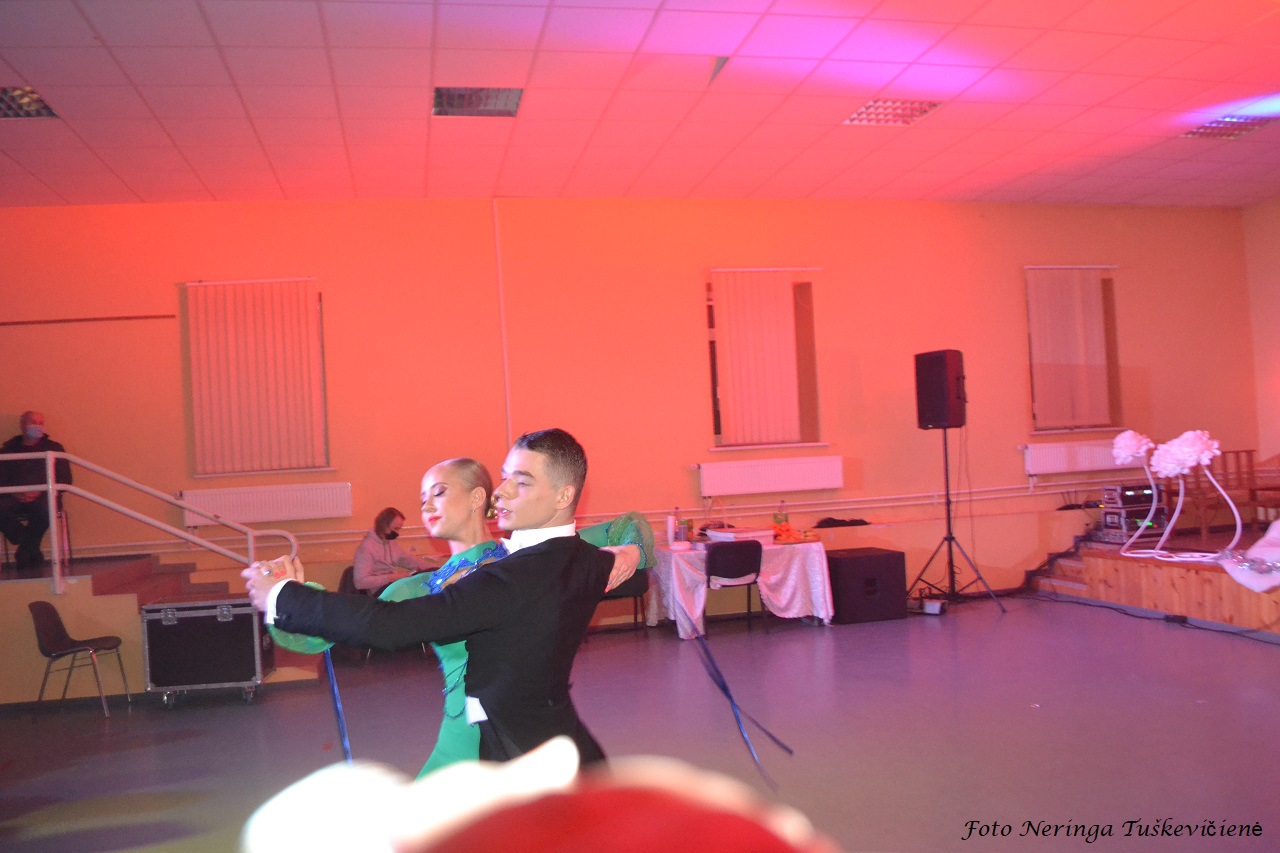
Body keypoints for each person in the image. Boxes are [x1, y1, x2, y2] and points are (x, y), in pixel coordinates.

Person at [245, 428, 639, 767]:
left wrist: (282, 596)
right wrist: (290, 598)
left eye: (439, 492)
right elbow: (324, 636)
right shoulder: (570, 556)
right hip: (507, 738)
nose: (501, 493)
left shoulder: (511, 571)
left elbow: (631, 526)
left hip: (512, 749)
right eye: (505, 478)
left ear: (476, 497)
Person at [0, 411, 72, 572]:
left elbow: (65, 479)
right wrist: (14, 493)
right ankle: (29, 546)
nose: (37, 426)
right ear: (22, 425)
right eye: (33, 422)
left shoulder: (54, 448)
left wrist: (41, 491)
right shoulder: (7, 451)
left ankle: (25, 550)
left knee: (47, 509)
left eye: (41, 423)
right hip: (13, 497)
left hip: (44, 496)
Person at [352, 506, 438, 594]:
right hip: (379, 592)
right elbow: (360, 582)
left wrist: (434, 570)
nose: (397, 533)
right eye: (396, 529)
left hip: (392, 587)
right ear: (384, 526)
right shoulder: (366, 548)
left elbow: (409, 560)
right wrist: (392, 577)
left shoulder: (391, 543)